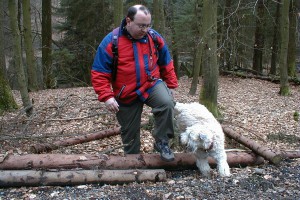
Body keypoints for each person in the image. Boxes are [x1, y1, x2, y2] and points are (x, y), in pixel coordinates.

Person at [91, 5, 178, 162]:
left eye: (148, 25)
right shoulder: (111, 41)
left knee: (166, 104)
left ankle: (162, 142)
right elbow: (99, 72)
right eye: (141, 25)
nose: (145, 29)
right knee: (130, 135)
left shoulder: (154, 38)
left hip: (151, 84)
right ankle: (132, 164)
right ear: (129, 21)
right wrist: (106, 96)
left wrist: (171, 85)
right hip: (126, 92)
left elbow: (166, 62)